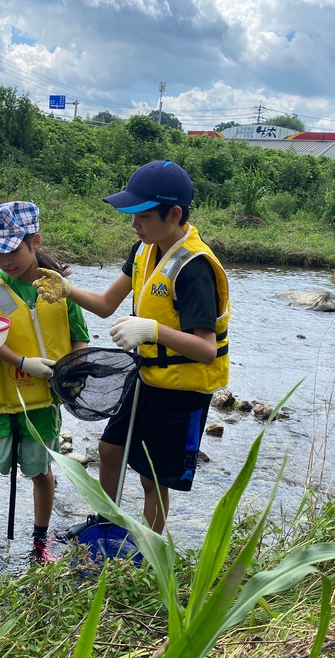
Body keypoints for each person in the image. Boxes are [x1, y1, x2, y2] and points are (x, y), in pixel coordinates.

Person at [35, 160, 230, 534]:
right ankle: (107, 524)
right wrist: (66, 288)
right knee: (109, 450)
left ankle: (149, 548)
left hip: (181, 388)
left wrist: (151, 330)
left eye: (142, 215)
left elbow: (205, 349)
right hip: (147, 376)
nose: (134, 224)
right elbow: (108, 304)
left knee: (151, 478)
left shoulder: (194, 269)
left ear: (174, 214)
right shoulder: (144, 248)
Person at [0, 201, 90, 574]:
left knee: (42, 472)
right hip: (1, 401)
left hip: (44, 403)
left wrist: (70, 373)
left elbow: (80, 338)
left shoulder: (59, 290)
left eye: (12, 250)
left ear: (34, 242)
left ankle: (41, 542)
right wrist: (23, 363)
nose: (5, 261)